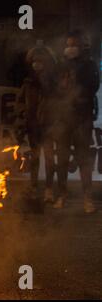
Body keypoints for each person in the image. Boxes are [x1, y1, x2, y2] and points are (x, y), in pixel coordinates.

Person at [54, 31, 100, 213]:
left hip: (82, 118)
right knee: (62, 158)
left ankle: (87, 198)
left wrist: (76, 85)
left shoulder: (89, 65)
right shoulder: (61, 66)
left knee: (83, 159)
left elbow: (93, 86)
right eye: (68, 44)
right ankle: (62, 194)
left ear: (81, 47)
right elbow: (54, 89)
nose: (70, 47)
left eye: (74, 44)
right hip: (63, 119)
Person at [15, 46, 60, 202]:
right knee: (34, 158)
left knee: (49, 159)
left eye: (40, 61)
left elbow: (60, 103)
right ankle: (34, 187)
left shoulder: (54, 83)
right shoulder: (28, 83)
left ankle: (49, 189)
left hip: (49, 126)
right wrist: (22, 114)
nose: (37, 64)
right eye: (34, 61)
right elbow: (19, 102)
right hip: (33, 126)